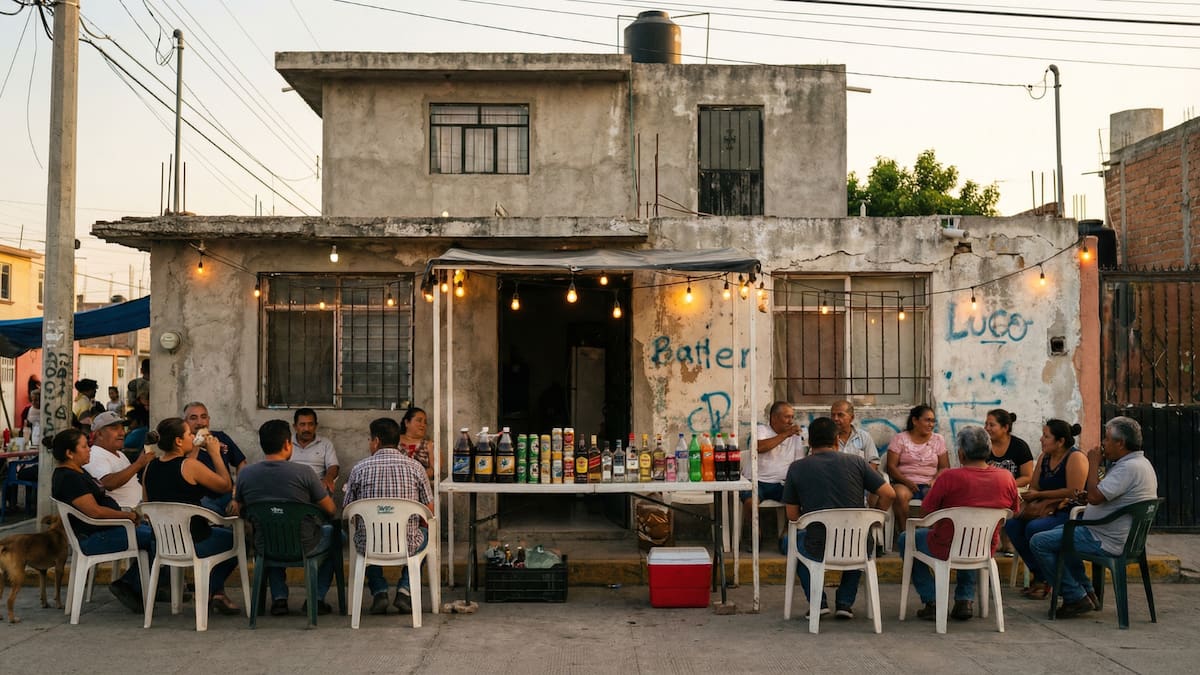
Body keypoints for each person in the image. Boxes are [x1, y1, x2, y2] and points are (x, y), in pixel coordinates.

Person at [1030, 416, 1159, 619]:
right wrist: (1088, 496)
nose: (1103, 444)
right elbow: (1099, 495)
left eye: (1107, 439)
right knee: (1057, 534)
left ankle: (1074, 596)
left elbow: (1095, 497)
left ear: (1120, 443)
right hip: (1108, 533)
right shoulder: (1138, 464)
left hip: (1105, 538)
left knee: (1039, 541)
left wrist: (1092, 464)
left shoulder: (1128, 468)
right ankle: (1086, 591)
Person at [898, 425, 1020, 621]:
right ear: (988, 451)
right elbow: (1014, 511)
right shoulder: (1006, 478)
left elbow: (924, 512)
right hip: (984, 547)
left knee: (906, 539)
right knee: (972, 539)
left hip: (945, 546)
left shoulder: (948, 477)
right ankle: (965, 599)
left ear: (961, 454)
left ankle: (932, 600)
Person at [779, 417, 894, 619]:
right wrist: (876, 518)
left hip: (816, 546)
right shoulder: (857, 462)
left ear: (810, 443)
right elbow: (889, 494)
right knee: (859, 537)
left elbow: (791, 516)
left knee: (791, 541)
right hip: (856, 544)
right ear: (836, 441)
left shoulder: (797, 468)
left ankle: (818, 602)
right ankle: (844, 603)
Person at [234, 420, 338, 616]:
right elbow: (331, 510)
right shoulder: (304, 473)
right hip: (305, 545)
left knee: (271, 533)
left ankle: (279, 598)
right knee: (336, 536)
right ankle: (316, 598)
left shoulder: (245, 474)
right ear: (287, 444)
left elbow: (237, 508)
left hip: (265, 545)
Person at [141, 418, 242, 615]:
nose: (192, 438)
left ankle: (213, 591)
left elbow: (147, 504)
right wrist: (214, 454)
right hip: (196, 541)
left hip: (162, 543)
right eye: (188, 434)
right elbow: (225, 486)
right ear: (179, 441)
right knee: (237, 540)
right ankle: (213, 590)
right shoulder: (189, 466)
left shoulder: (149, 467)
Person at [48, 428, 155, 613]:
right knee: (159, 538)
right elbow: (95, 512)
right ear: (69, 453)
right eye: (83, 447)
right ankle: (131, 585)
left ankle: (147, 586)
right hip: (96, 537)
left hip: (109, 530)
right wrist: (127, 516)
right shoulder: (69, 478)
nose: (89, 449)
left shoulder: (78, 471)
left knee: (159, 534)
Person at [343, 417, 434, 616]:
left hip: (370, 544)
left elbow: (348, 511)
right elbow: (430, 510)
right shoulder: (416, 468)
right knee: (427, 535)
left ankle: (380, 592)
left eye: (370, 440)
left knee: (365, 535)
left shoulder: (359, 469)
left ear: (376, 441)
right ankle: (404, 590)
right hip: (408, 543)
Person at [1005, 419, 1088, 600]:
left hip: (1068, 512)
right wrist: (1029, 502)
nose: (1041, 439)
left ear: (1060, 441)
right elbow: (1034, 487)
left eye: (1046, 436)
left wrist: (1041, 496)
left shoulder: (1076, 458)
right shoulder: (1044, 458)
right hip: (1045, 508)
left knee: (1033, 528)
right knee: (1011, 524)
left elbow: (1074, 491)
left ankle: (1046, 579)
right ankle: (1041, 574)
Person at [741, 401, 806, 545]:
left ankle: (785, 534)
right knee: (750, 503)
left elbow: (799, 463)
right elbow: (759, 447)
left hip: (782, 483)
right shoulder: (761, 430)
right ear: (774, 418)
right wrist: (785, 434)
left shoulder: (795, 437)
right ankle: (755, 534)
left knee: (799, 500)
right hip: (757, 481)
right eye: (787, 417)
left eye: (792, 417)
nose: (791, 421)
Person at [885, 404, 949, 533]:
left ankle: (925, 534)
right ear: (915, 421)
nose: (931, 424)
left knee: (936, 495)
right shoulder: (900, 439)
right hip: (904, 482)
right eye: (927, 420)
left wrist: (935, 480)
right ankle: (905, 534)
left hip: (929, 482)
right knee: (900, 495)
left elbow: (944, 467)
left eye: (933, 421)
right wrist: (907, 482)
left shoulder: (938, 439)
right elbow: (891, 466)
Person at [183, 401, 248, 514]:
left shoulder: (220, 437)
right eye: (193, 418)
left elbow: (241, 463)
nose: (200, 422)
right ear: (185, 422)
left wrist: (236, 495)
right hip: (201, 501)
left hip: (228, 496)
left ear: (208, 419)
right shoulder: (184, 443)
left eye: (203, 417)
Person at [82, 411, 150, 510]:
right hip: (124, 513)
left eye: (122, 428)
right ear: (99, 434)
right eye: (114, 428)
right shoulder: (95, 454)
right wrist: (138, 464)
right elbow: (108, 483)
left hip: (138, 510)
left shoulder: (120, 454)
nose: (122, 433)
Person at [290, 408, 340, 495]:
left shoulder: (325, 443)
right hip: (291, 488)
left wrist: (328, 478)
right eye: (302, 424)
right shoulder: (287, 443)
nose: (307, 429)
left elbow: (333, 466)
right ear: (295, 426)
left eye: (310, 424)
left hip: (316, 489)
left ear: (316, 426)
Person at [984, 408, 1034, 487]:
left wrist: (1006, 486)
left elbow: (1027, 476)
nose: (987, 428)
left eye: (991, 425)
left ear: (1005, 428)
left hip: (1011, 491)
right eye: (986, 424)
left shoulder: (1020, 446)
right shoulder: (982, 446)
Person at [831, 400, 879, 467]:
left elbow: (873, 462)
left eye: (840, 415)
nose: (835, 418)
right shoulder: (825, 437)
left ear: (852, 418)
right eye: (833, 415)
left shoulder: (863, 436)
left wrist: (865, 476)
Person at [398, 407, 434, 481]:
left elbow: (434, 470)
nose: (423, 425)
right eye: (419, 421)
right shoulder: (394, 440)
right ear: (407, 422)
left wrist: (411, 479)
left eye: (425, 422)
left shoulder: (430, 445)